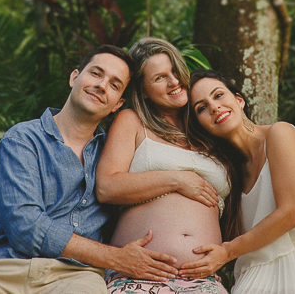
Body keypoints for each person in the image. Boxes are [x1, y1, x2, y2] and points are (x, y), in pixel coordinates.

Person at [0, 45, 179, 294]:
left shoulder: (114, 157)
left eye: (114, 85)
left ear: (117, 104)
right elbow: (25, 228)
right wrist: (115, 258)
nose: (102, 85)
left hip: (76, 277)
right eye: (96, 73)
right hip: (2, 270)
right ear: (74, 77)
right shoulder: (22, 140)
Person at [180, 70, 295, 294]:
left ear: (239, 100)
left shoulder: (280, 133)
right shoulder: (230, 174)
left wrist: (226, 252)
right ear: (200, 125)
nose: (214, 107)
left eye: (218, 95)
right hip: (256, 272)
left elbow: (291, 213)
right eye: (201, 108)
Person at [95, 38, 235, 294]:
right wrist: (177, 180)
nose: (174, 82)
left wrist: (227, 253)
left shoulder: (207, 125)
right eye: (159, 78)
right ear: (143, 90)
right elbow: (106, 187)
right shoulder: (132, 121)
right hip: (138, 274)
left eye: (175, 71)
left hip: (202, 280)